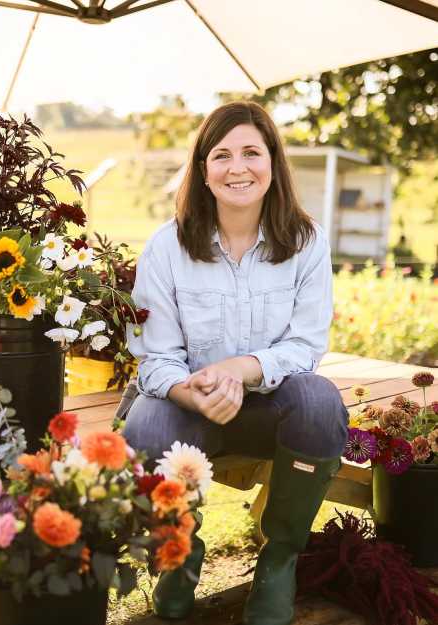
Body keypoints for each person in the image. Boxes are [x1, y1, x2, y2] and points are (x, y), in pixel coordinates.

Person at [123, 101, 348, 625]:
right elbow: (155, 358)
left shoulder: (306, 243)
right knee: (146, 424)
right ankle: (178, 557)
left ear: (273, 163)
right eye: (221, 155)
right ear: (203, 171)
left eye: (251, 152)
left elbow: (305, 346)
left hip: (272, 410)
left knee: (320, 402)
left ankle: (280, 559)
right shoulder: (167, 246)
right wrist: (192, 390)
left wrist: (239, 369)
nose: (237, 167)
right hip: (189, 411)